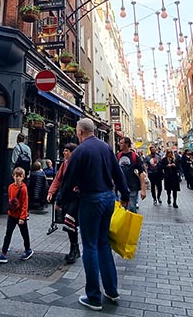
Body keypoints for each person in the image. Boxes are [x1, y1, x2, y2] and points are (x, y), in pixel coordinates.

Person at [60, 118, 129, 311]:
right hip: (108, 199)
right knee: (103, 244)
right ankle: (112, 290)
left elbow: (69, 179)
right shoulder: (106, 147)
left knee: (89, 246)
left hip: (91, 200)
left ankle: (93, 297)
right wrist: (124, 194)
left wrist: (60, 200)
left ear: (80, 132)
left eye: (76, 131)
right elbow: (118, 172)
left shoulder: (80, 151)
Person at [48, 142, 79, 264]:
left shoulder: (77, 164)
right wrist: (51, 191)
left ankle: (74, 249)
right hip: (66, 197)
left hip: (75, 197)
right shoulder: (65, 164)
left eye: (67, 151)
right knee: (71, 223)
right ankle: (75, 248)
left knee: (70, 222)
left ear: (72, 152)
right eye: (64, 150)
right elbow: (58, 179)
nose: (64, 153)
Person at [0, 167, 33, 263]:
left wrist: (22, 217)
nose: (18, 178)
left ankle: (28, 249)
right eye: (16, 176)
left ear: (23, 177)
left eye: (20, 176)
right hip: (12, 214)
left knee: (24, 233)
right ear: (13, 176)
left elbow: (25, 203)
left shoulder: (23, 189)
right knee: (8, 234)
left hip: (19, 216)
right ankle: (3, 253)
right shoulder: (10, 187)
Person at [116, 137, 146, 213]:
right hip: (121, 186)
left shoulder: (134, 157)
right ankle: (124, 224)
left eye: (122, 143)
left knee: (132, 207)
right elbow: (114, 171)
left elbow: (141, 173)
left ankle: (131, 224)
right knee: (122, 209)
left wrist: (143, 190)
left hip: (132, 186)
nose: (119, 144)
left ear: (127, 144)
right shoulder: (118, 156)